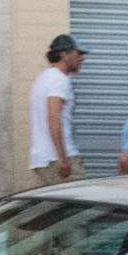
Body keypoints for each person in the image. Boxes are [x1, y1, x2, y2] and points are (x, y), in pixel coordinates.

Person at [28, 35, 84, 188]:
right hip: (56, 159)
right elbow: (53, 117)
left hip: (44, 158)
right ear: (64, 55)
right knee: (80, 206)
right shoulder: (59, 80)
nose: (81, 58)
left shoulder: (43, 78)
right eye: (78, 53)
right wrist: (62, 157)